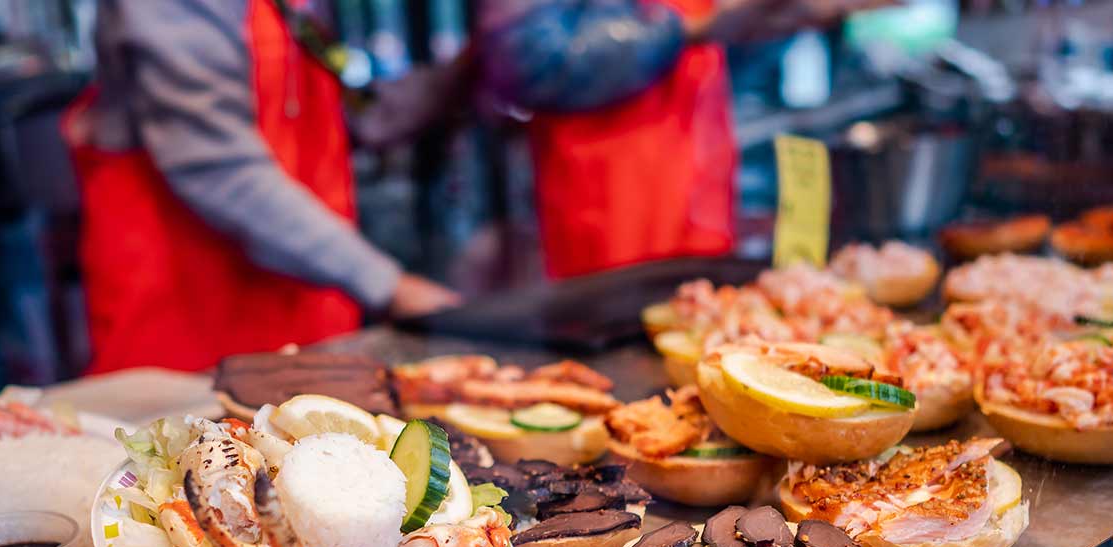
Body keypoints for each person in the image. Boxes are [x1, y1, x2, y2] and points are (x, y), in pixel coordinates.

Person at [66, 0, 460, 374]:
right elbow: (215, 164)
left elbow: (360, 117)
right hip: (187, 333)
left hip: (302, 323)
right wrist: (389, 285)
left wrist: (468, 71)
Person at [477, 0, 883, 278]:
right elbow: (525, 62)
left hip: (696, 188)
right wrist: (694, 28)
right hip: (609, 206)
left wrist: (787, 16)